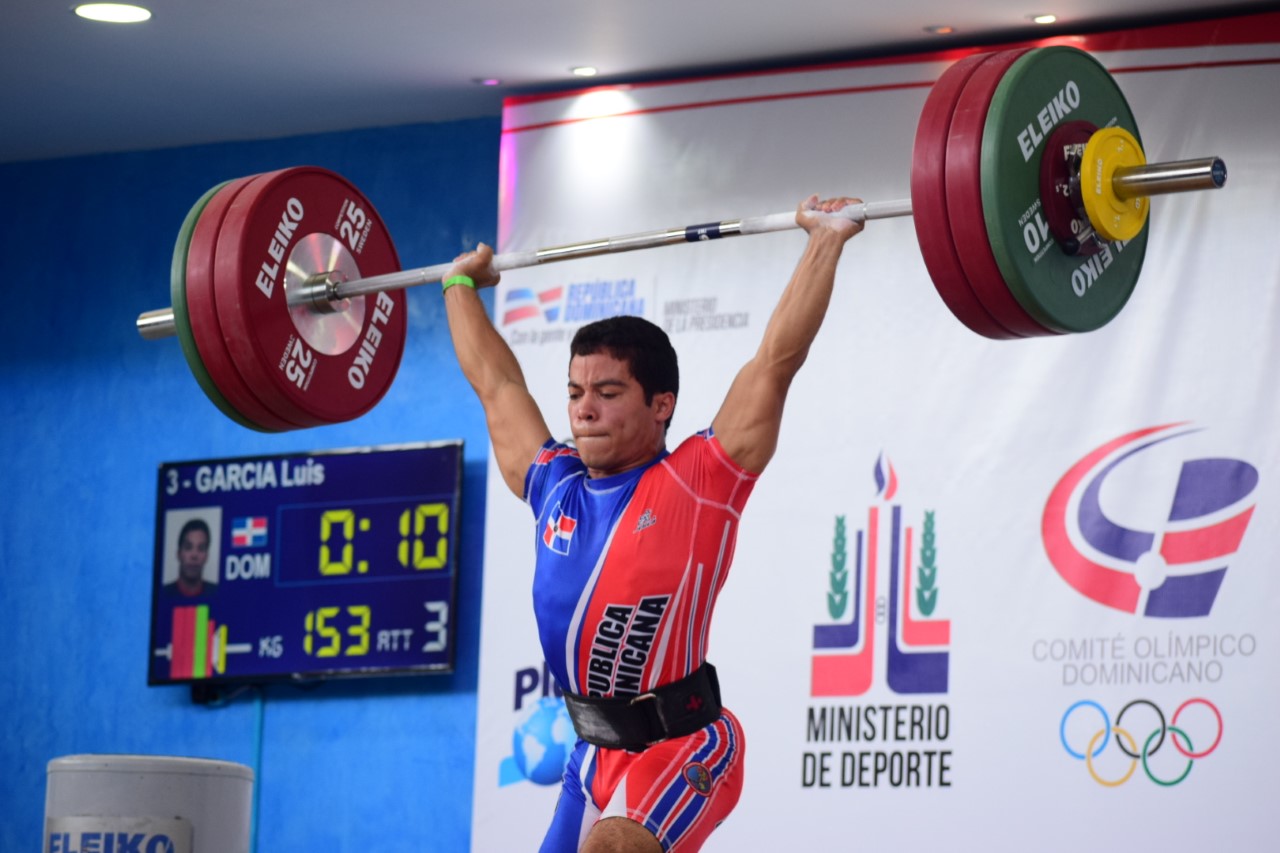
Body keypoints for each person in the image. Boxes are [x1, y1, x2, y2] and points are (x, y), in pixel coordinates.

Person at [443, 195, 863, 852]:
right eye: (577, 394)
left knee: (610, 848)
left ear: (660, 404)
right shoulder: (554, 483)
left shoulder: (701, 479)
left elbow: (776, 361)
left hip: (686, 741)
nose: (585, 411)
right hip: (592, 755)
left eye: (608, 394)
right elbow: (496, 385)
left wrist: (826, 240)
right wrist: (460, 284)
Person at [164, 518, 217, 597]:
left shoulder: (217, 593)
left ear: (207, 556)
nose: (194, 555)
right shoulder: (162, 594)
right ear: (178, 553)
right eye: (188, 547)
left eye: (201, 548)